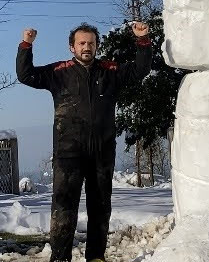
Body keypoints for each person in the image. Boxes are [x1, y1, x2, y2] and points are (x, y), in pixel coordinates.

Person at [16, 22, 152, 262]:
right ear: (72, 47)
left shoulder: (109, 70)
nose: (86, 47)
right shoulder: (59, 72)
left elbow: (139, 70)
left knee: (100, 209)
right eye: (82, 43)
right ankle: (60, 258)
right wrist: (26, 45)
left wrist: (142, 41)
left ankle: (96, 257)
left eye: (91, 43)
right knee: (63, 209)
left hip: (102, 152)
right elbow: (26, 75)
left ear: (97, 46)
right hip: (68, 154)